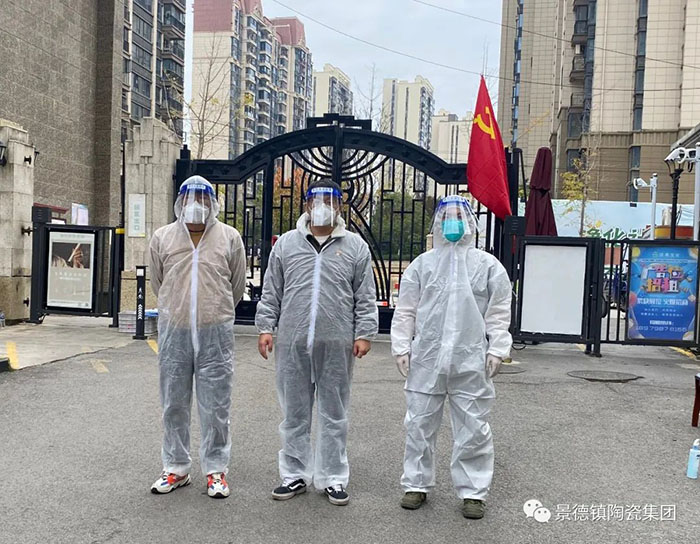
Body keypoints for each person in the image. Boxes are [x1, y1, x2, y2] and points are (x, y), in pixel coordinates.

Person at [256, 179, 378, 506]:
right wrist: (266, 327)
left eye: (330, 200)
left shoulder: (355, 247)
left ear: (339, 206)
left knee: (334, 413)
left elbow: (365, 295)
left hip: (336, 342)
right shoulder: (287, 244)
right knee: (294, 413)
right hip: (292, 341)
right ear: (307, 204)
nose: (323, 206)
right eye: (317, 200)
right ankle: (294, 474)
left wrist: (364, 333)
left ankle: (333, 477)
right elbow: (272, 290)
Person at [390, 195, 512, 519]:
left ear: (470, 223)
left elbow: (499, 311)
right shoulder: (423, 265)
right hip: (427, 359)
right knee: (418, 423)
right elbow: (406, 310)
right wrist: (401, 347)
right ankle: (416, 484)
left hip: (470, 358)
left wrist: (497, 348)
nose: (453, 223)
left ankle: (473, 492)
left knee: (473, 426)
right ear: (438, 224)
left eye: (459, 217)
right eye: (447, 217)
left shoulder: (487, 266)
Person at [148, 175, 246, 499]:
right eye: (189, 198)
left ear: (212, 203)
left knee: (216, 405)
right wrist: (177, 310)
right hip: (174, 333)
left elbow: (236, 286)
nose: (196, 205)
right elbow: (158, 282)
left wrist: (213, 311)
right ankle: (176, 467)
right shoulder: (162, 238)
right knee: (173, 403)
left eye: (202, 198)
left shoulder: (229, 238)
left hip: (215, 333)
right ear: (180, 202)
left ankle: (216, 470)